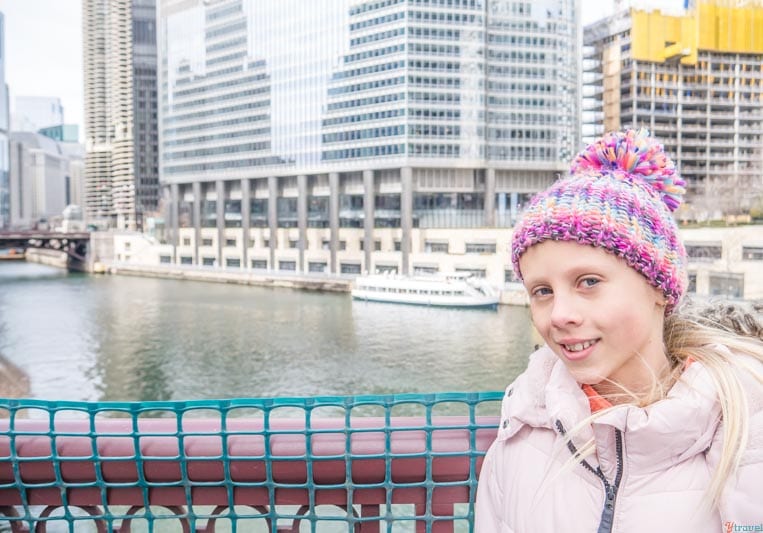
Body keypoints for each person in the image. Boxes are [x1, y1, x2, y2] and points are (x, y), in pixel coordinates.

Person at [475, 129, 763, 532]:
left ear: (659, 289)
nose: (559, 314)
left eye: (588, 282)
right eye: (542, 291)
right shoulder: (519, 435)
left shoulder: (746, 431)